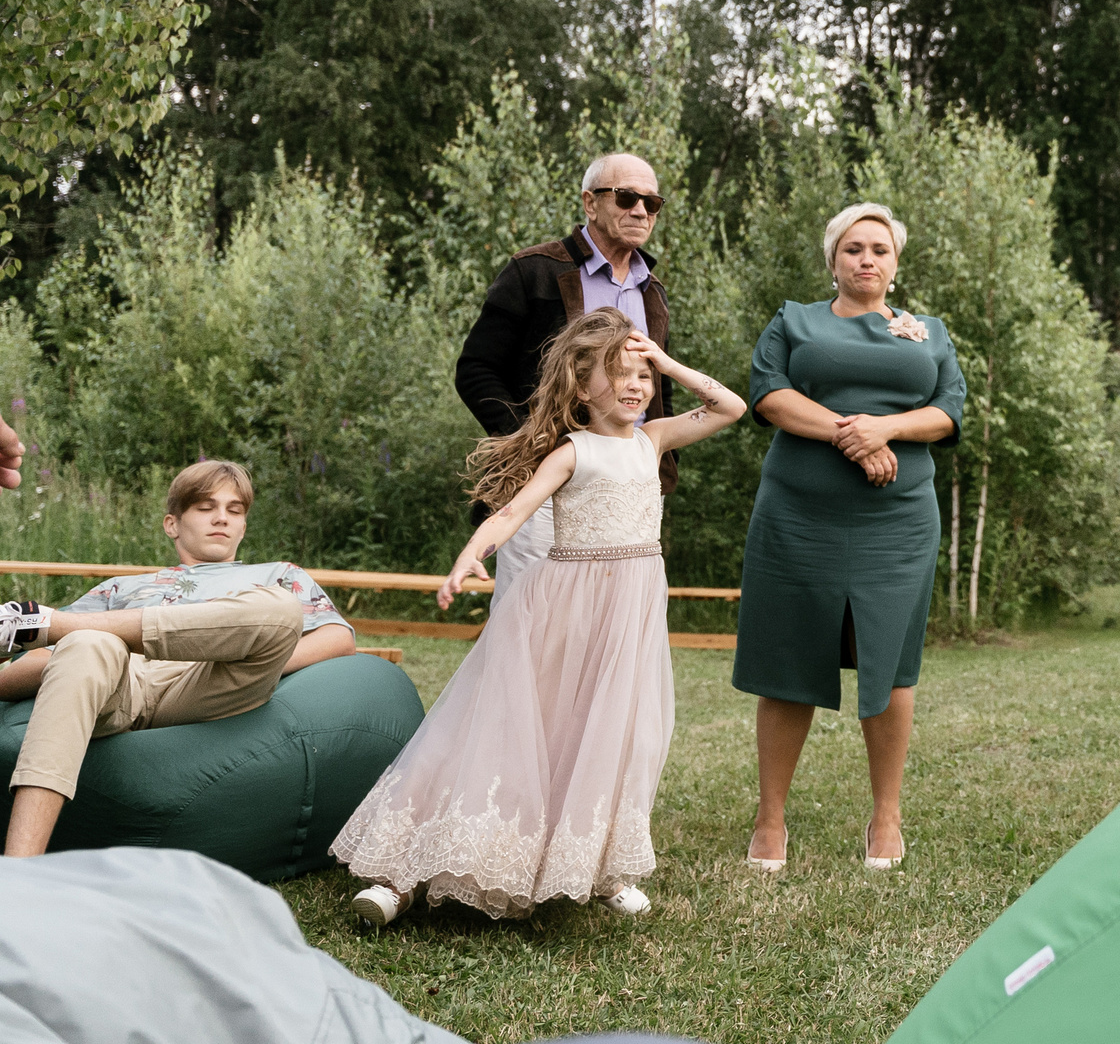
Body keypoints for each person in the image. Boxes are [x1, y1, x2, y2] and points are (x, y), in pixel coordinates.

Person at [333, 313, 745, 921]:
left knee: (609, 731)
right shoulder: (573, 452)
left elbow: (730, 407)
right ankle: (399, 876)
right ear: (581, 389)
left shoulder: (652, 439)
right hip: (564, 604)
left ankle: (599, 865)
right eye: (619, 375)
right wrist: (470, 555)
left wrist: (665, 361)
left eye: (642, 376)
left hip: (629, 609)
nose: (636, 386)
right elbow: (510, 514)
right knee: (516, 725)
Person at [733, 204, 965, 875]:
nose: (868, 259)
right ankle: (770, 817)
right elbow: (769, 394)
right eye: (855, 249)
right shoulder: (794, 320)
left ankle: (886, 814)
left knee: (889, 660)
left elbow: (949, 409)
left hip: (897, 523)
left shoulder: (929, 332)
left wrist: (886, 431)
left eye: (881, 250)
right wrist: (851, 433)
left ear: (896, 263)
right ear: (832, 260)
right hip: (798, 515)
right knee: (787, 657)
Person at [1, 460, 354, 856]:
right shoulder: (121, 587)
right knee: (85, 644)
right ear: (172, 524)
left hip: (215, 679)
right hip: (123, 680)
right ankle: (20, 869)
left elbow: (338, 639)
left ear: (243, 527)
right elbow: (34, 668)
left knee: (279, 608)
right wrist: (78, 663)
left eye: (234, 510)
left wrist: (245, 652)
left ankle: (50, 623)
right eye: (206, 507)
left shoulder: (277, 574)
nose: (221, 518)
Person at [453, 154, 676, 604]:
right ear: (590, 203)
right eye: (627, 197)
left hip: (627, 490)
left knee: (612, 625)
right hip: (547, 481)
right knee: (534, 618)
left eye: (651, 202)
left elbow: (659, 387)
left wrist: (655, 467)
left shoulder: (652, 289)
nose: (640, 211)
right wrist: (530, 440)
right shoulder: (534, 270)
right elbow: (476, 369)